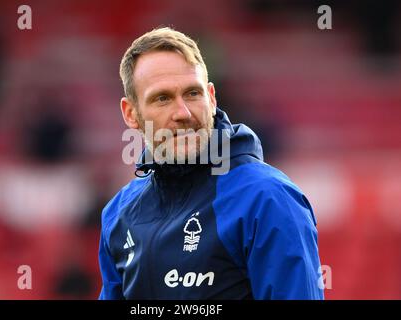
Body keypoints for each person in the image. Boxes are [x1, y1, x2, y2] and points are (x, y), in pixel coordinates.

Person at [98, 27, 324, 300]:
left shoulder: (267, 199)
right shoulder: (119, 215)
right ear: (130, 114)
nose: (183, 113)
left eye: (193, 94)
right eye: (162, 98)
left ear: (212, 98)